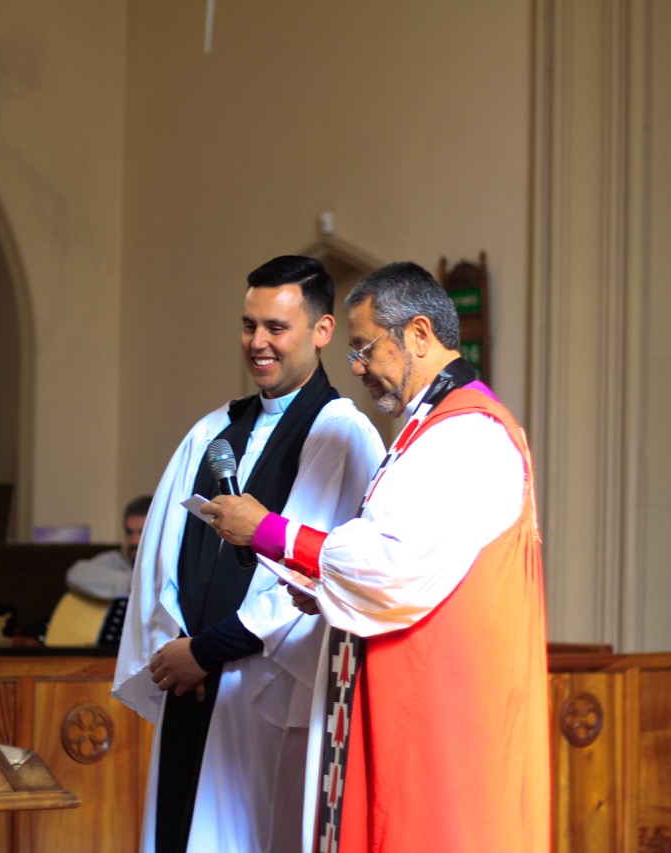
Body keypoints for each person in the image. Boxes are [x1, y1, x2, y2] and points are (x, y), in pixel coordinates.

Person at [203, 261, 550, 853]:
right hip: (412, 697)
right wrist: (325, 589)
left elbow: (393, 564)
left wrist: (269, 532)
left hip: (442, 714)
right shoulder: (430, 428)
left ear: (419, 334)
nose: (357, 366)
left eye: (365, 349)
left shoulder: (467, 434)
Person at [113, 255, 385, 853]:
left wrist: (206, 652)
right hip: (192, 679)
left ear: (322, 330)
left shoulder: (340, 433)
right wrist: (177, 650)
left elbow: (318, 574)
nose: (258, 342)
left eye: (275, 328)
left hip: (260, 689)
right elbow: (159, 556)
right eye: (248, 325)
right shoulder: (213, 430)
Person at [64, 494, 152, 600]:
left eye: (142, 533)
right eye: (129, 533)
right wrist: (134, 583)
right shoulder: (119, 560)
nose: (134, 541)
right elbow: (75, 575)